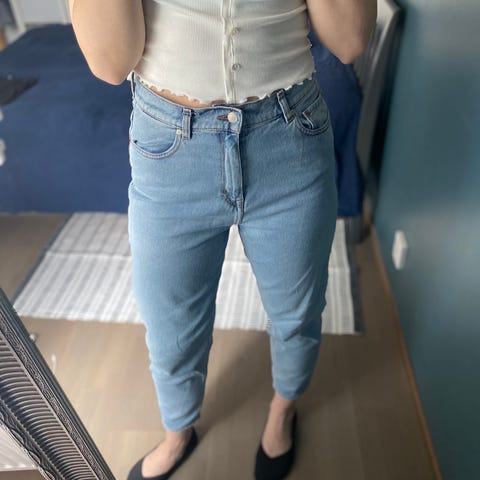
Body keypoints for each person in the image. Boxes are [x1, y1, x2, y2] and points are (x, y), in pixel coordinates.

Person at [69, 1, 376, 479]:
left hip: (289, 134)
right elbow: (110, 62)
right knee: (170, 326)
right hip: (169, 146)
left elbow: (351, 40)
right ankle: (177, 431)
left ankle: (283, 410)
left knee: (297, 311)